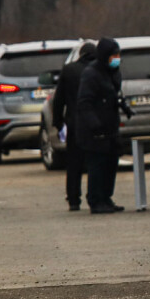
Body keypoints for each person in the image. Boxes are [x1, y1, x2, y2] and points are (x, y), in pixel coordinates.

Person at [77, 38, 132, 214]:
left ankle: (106, 197)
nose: (116, 58)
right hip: (95, 130)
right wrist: (94, 124)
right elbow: (84, 102)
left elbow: (115, 94)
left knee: (110, 163)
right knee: (97, 165)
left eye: (118, 55)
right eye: (113, 55)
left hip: (111, 125)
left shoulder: (114, 72)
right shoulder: (91, 74)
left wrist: (124, 107)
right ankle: (95, 200)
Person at [51, 41, 97, 211]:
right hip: (95, 124)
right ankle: (96, 196)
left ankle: (73, 199)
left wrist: (57, 122)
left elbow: (59, 99)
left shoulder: (69, 70)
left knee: (74, 163)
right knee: (95, 161)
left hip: (74, 122)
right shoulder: (98, 70)